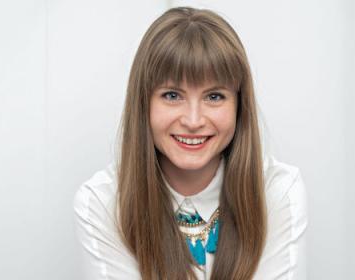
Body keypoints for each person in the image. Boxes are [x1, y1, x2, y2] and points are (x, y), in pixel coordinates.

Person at [73, 6, 308, 280]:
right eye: (172, 95)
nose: (194, 120)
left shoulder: (277, 193)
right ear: (144, 103)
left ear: (239, 106)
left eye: (214, 96)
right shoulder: (101, 204)